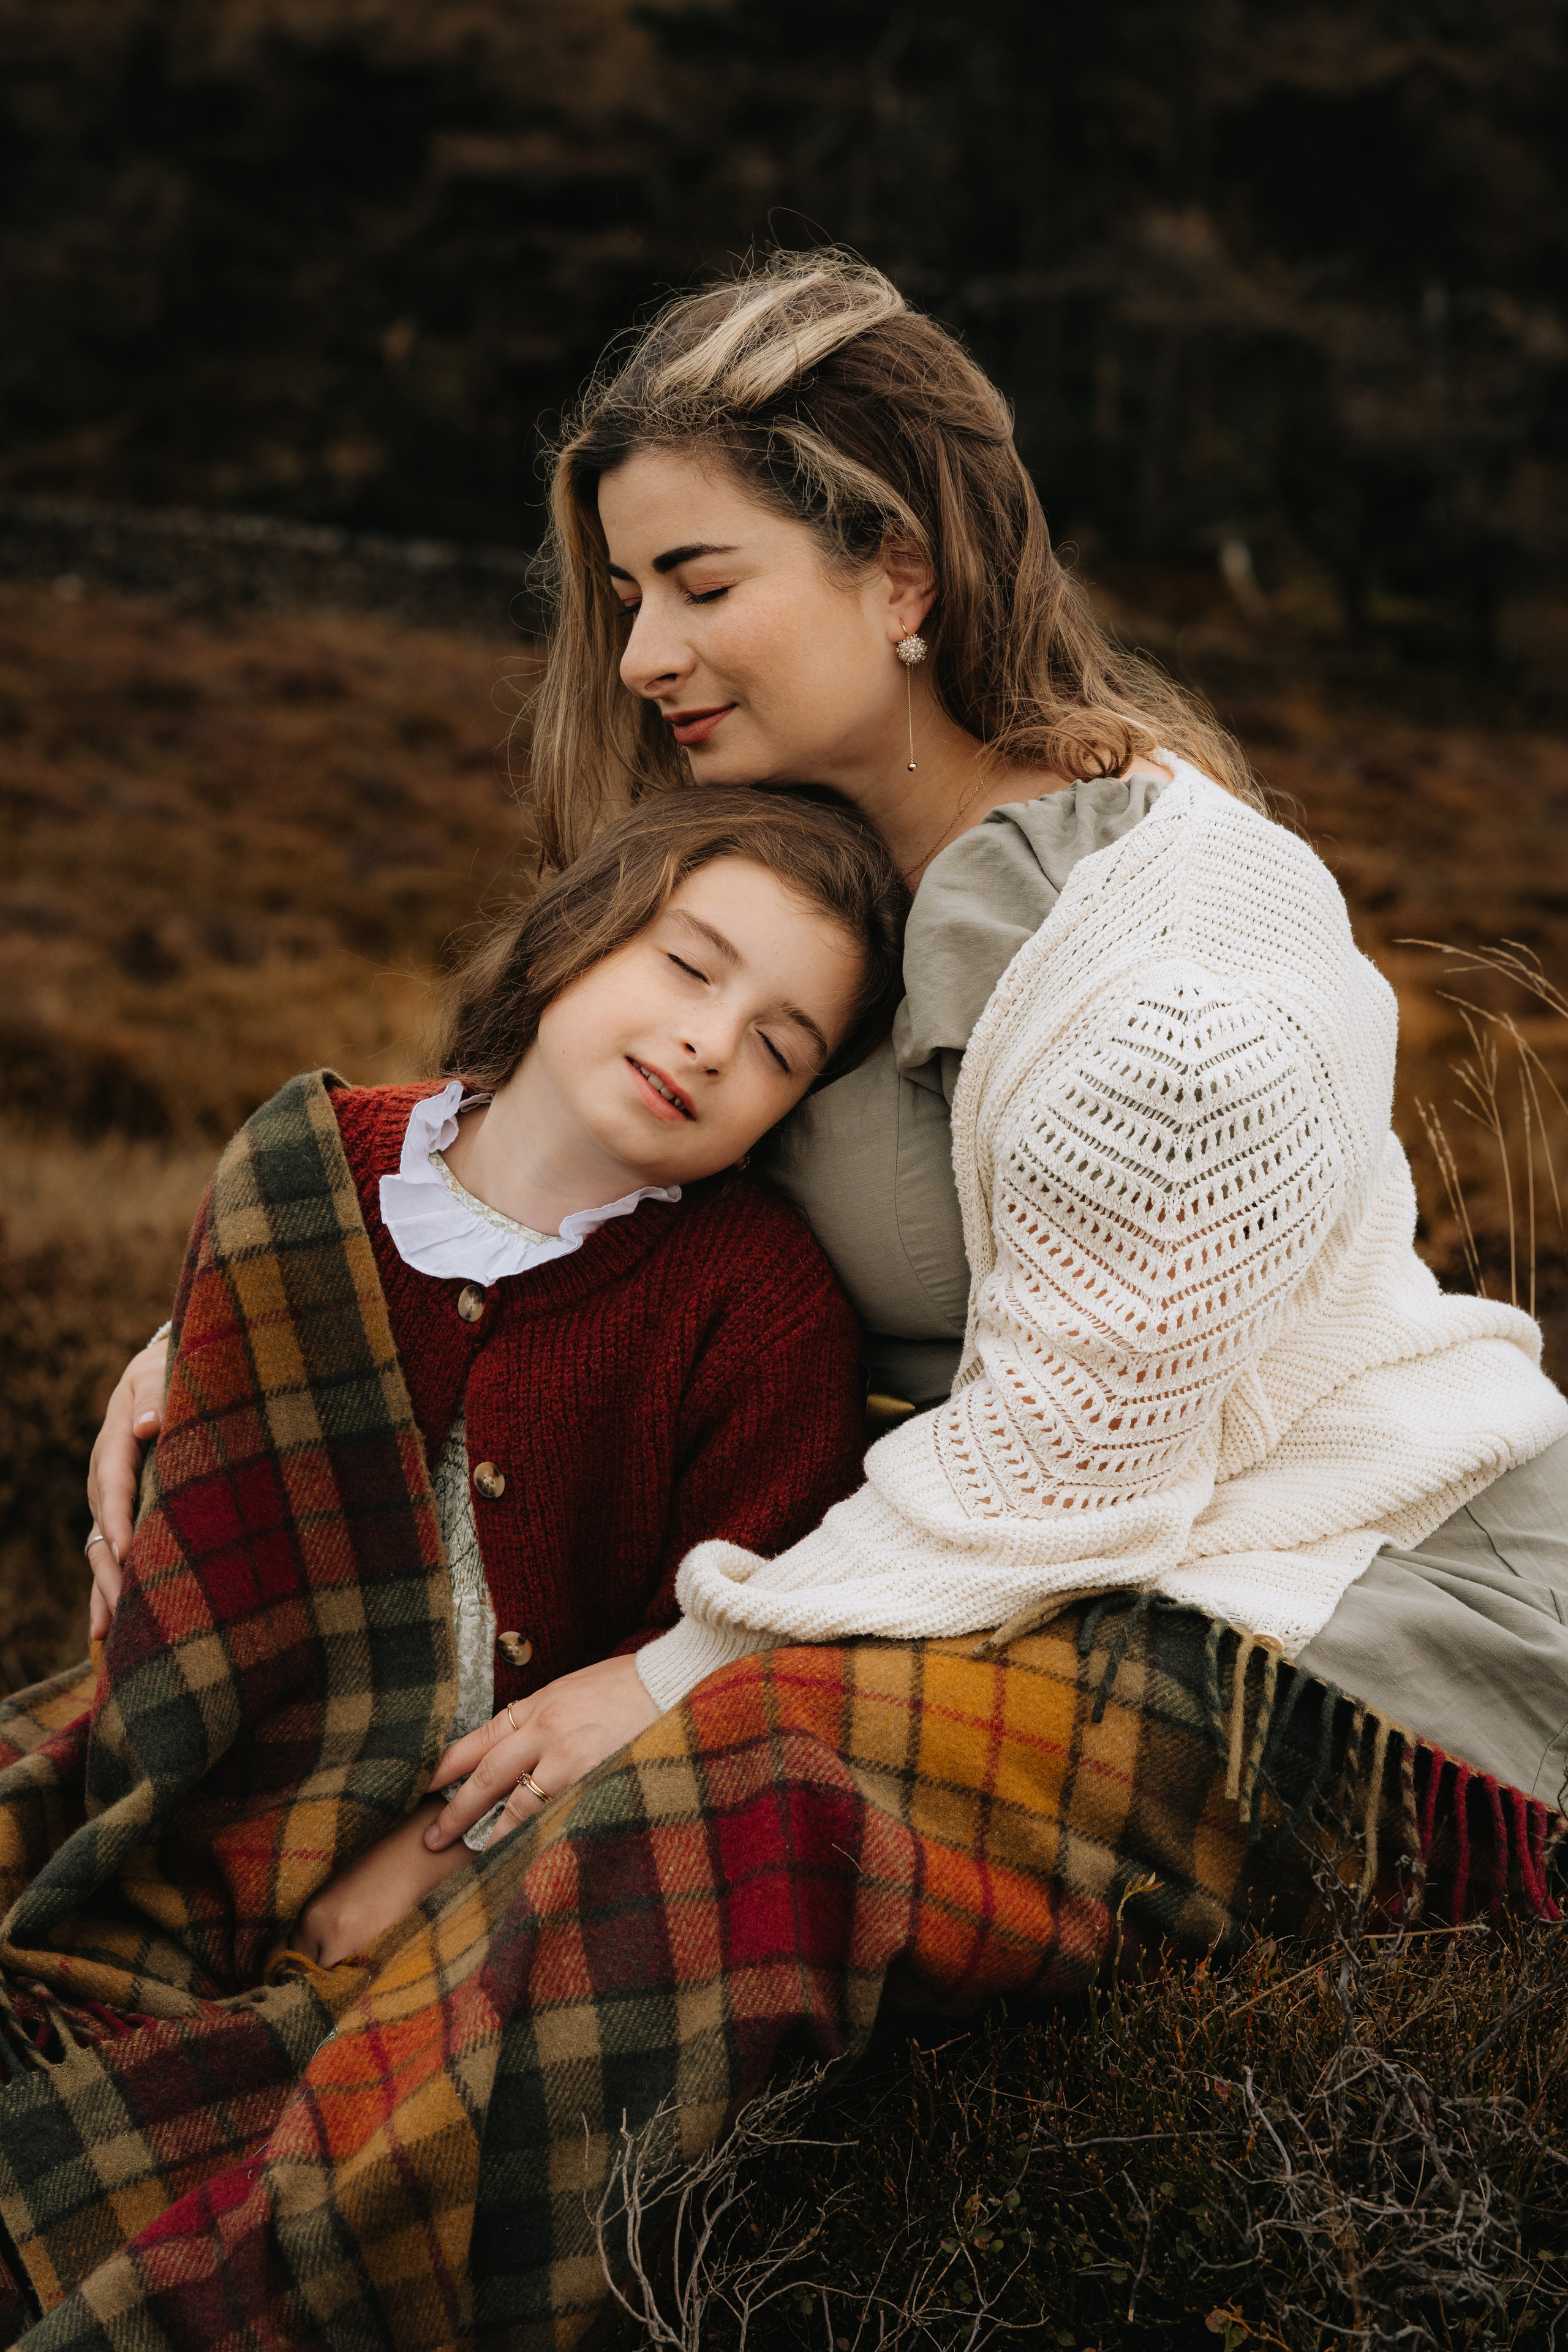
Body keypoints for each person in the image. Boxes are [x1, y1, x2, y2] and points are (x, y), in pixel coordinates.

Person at [50, 251, 1567, 2348]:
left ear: (902, 571)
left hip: (1317, 1615)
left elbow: (1066, 1473)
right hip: (938, 1546)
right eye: (624, 594)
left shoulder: (1180, 974)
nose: (642, 650)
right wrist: (247, 1312)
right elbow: (559, 1129)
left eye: (699, 581)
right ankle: (106, 2162)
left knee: (726, 1808)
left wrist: (671, 1671)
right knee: (259, 1717)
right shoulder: (803, 861)